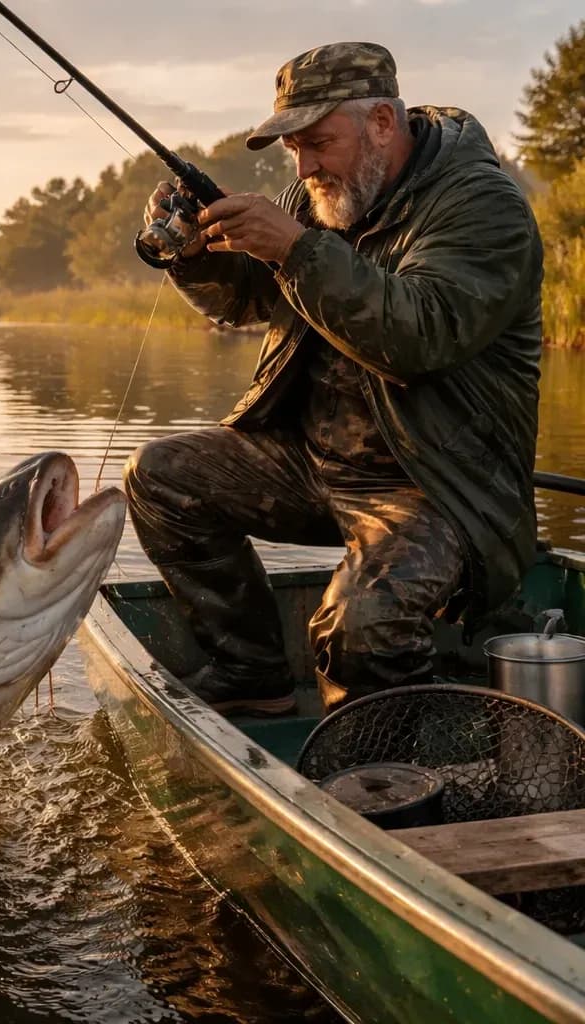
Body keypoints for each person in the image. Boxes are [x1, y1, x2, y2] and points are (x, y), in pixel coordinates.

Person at [124, 42, 544, 717]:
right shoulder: (320, 196)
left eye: (318, 142)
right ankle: (252, 673)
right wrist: (198, 257)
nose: (304, 164)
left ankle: (382, 767)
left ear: (383, 122)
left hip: (438, 486)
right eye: (293, 148)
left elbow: (419, 336)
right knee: (161, 477)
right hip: (315, 467)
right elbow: (248, 303)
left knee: (362, 623)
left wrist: (291, 246)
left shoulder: (479, 206)